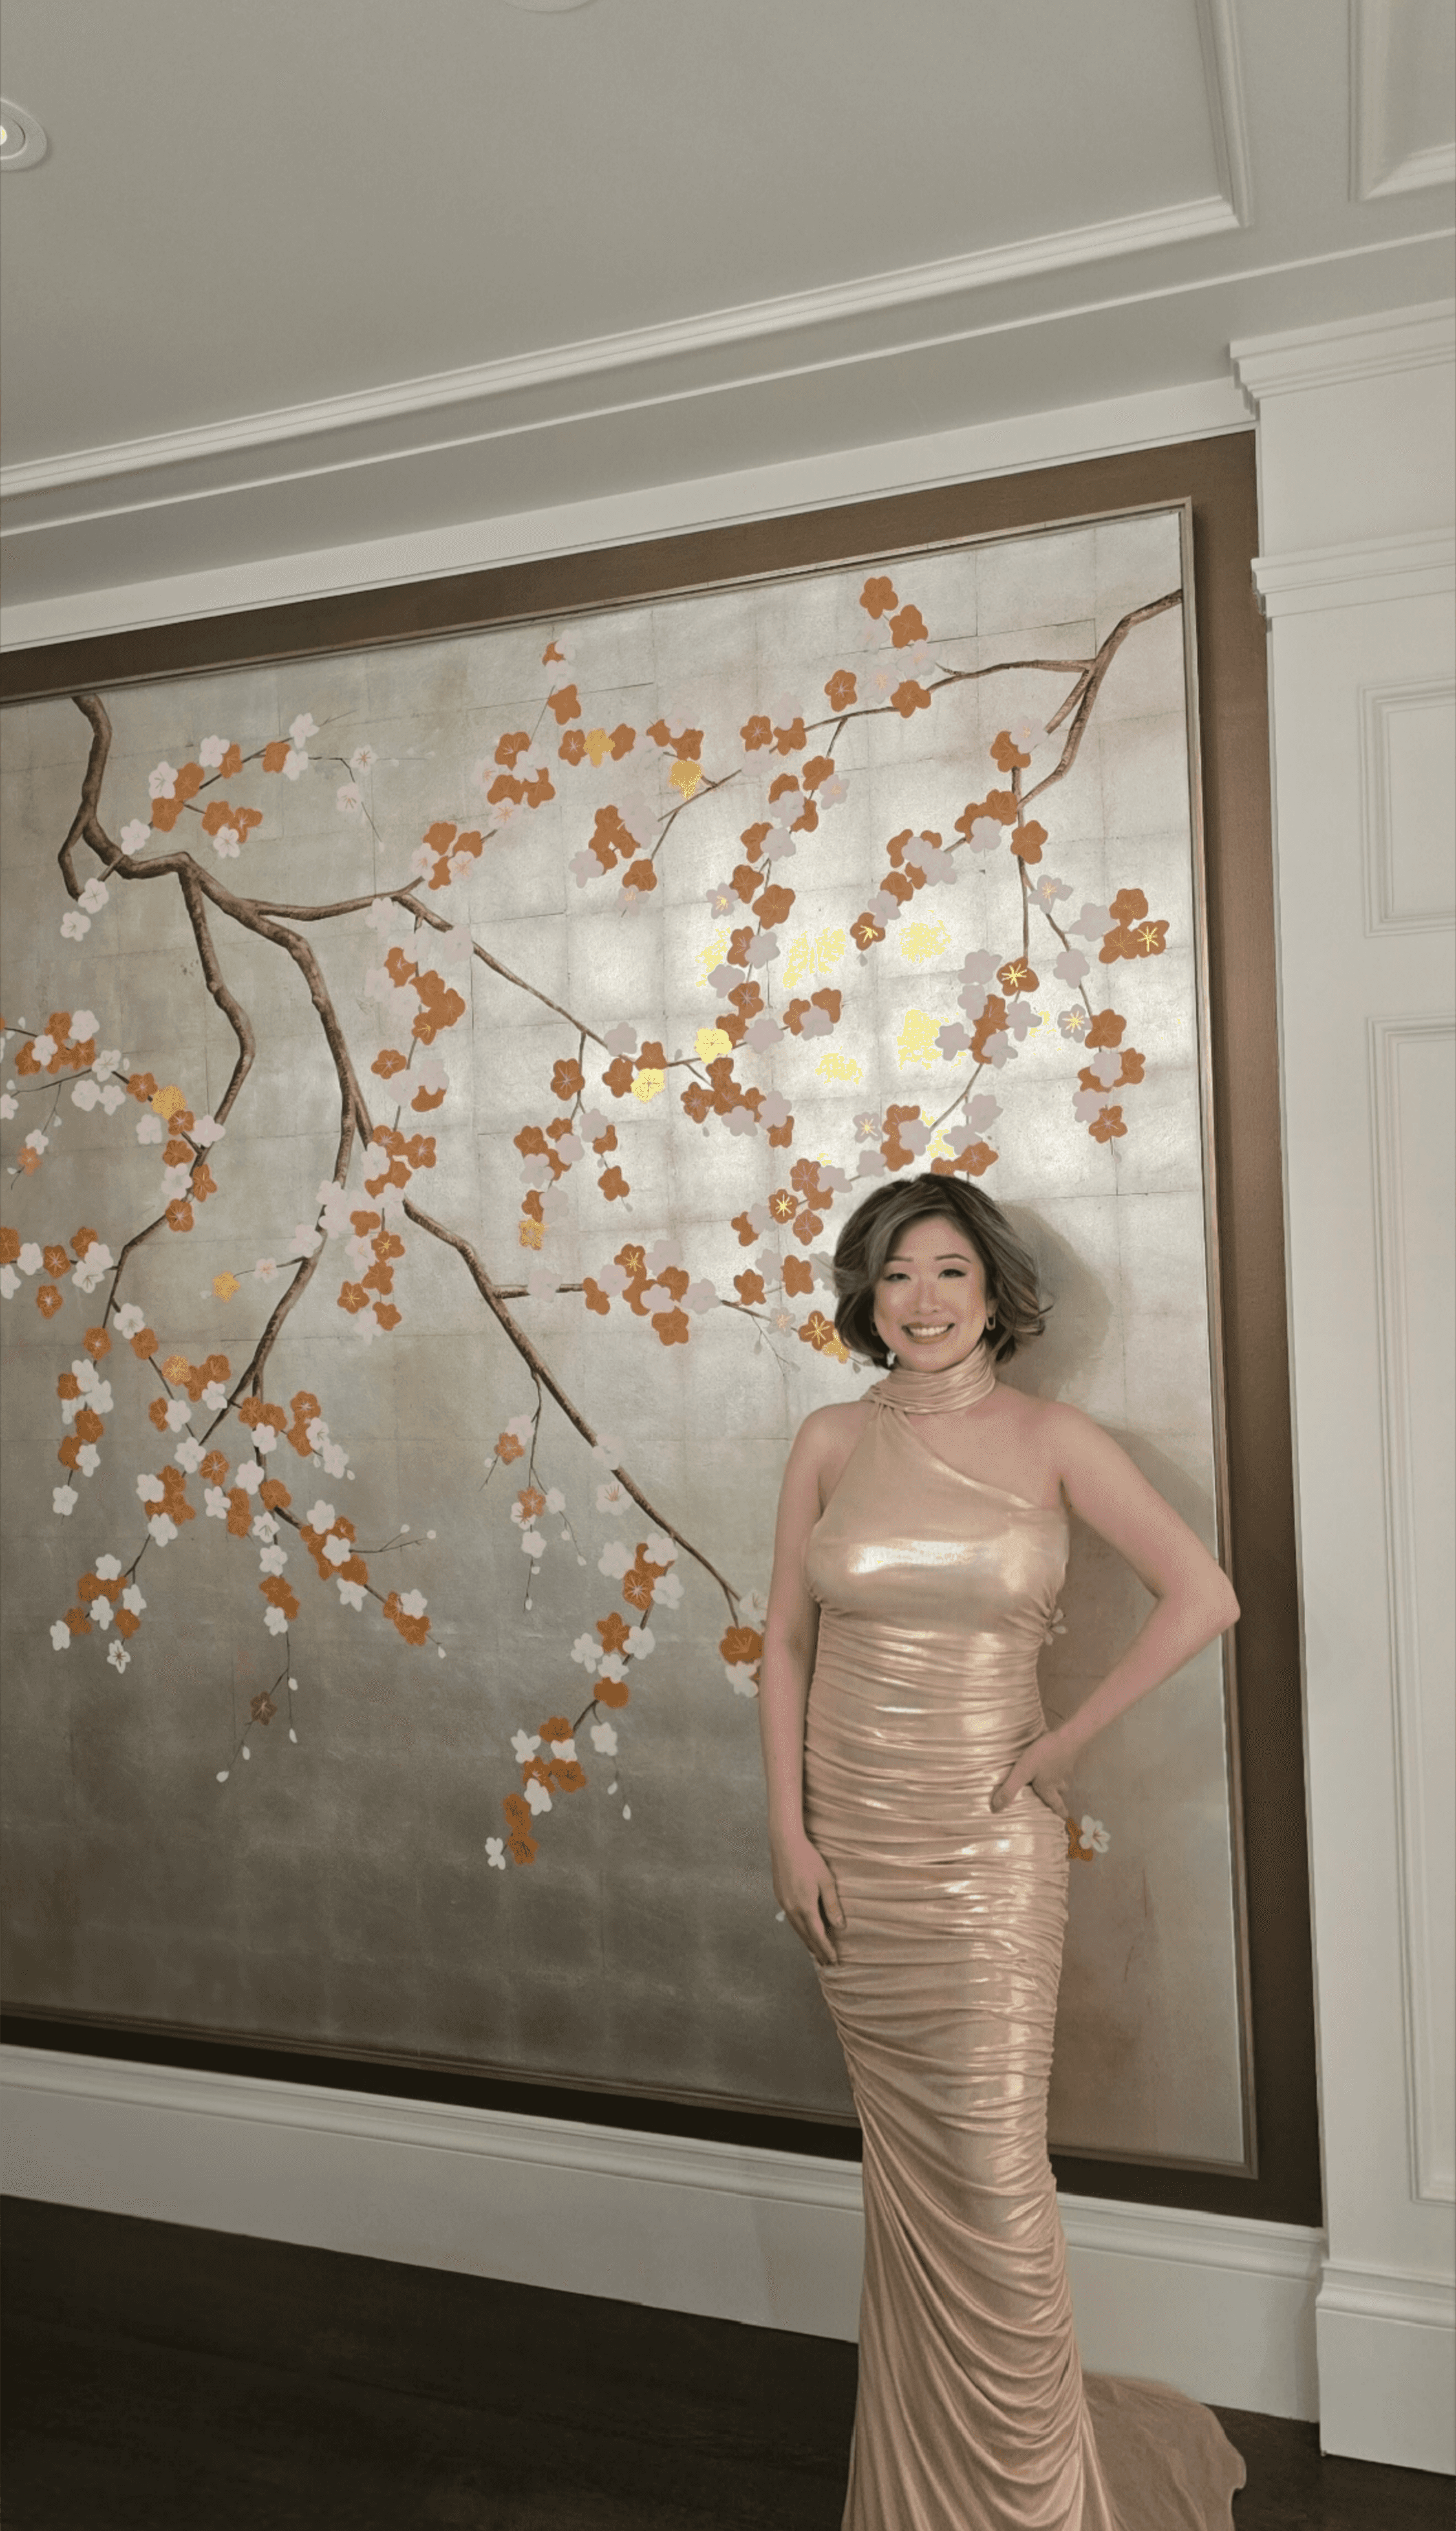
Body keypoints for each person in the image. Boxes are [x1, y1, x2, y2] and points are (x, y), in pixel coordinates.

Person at [758, 1172, 1248, 2531]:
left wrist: (1066, 1738)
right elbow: (785, 1646)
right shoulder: (824, 1440)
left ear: (994, 1295)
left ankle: (1035, 2506)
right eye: (896, 1275)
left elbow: (1203, 1594)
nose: (919, 1301)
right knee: (906, 2178)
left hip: (985, 1852)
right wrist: (787, 1834)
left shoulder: (1052, 1438)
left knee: (989, 2175)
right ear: (867, 1295)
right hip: (850, 1840)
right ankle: (920, 2496)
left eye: (948, 1274)